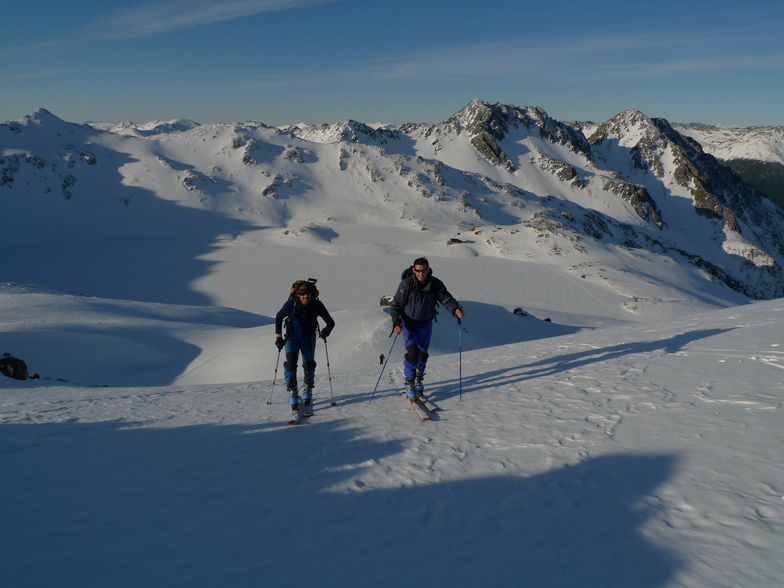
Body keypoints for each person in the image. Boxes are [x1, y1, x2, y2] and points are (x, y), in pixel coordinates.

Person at [390, 257, 465, 400]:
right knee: (412, 353)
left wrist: (456, 310)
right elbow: (396, 305)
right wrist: (396, 323)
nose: (420, 274)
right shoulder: (406, 284)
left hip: (426, 324)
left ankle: (419, 380)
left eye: (423, 270)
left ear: (428, 270)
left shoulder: (435, 284)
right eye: (418, 271)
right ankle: (409, 383)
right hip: (409, 323)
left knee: (423, 354)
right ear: (413, 270)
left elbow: (446, 299)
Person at [275, 280, 335, 413]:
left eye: (308, 294)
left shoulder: (316, 305)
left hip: (308, 338)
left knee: (309, 365)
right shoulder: (291, 304)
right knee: (290, 364)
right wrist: (279, 336)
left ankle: (308, 391)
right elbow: (279, 317)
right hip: (292, 338)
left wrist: (326, 330)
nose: (305, 296)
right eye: (302, 294)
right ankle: (293, 392)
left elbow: (330, 322)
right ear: (297, 294)